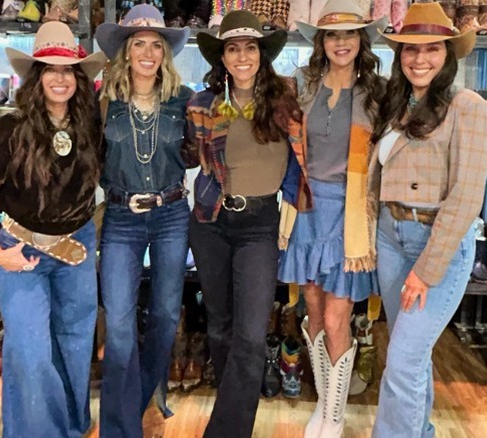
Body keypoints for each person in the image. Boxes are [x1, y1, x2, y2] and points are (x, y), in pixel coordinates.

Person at [0, 21, 106, 437]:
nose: (60, 78)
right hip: (21, 250)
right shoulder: (11, 128)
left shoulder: (90, 125)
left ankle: (70, 423)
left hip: (76, 249)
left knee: (75, 342)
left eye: (67, 70)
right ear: (36, 76)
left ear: (78, 78)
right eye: (49, 69)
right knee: (29, 351)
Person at [367, 2, 487, 437]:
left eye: (432, 49)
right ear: (399, 56)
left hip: (435, 243)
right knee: (409, 358)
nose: (420, 59)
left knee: (401, 361)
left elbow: (465, 197)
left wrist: (427, 269)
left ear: (448, 54)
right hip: (390, 237)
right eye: (410, 50)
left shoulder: (467, 107)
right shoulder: (394, 104)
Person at [185, 10, 312, 438]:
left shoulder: (285, 102)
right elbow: (187, 154)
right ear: (222, 56)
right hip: (210, 221)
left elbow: (303, 157)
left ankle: (224, 431)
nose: (242, 56)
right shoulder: (202, 104)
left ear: (262, 54)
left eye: (250, 47)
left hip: (260, 223)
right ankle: (234, 413)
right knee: (220, 326)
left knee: (252, 334)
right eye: (233, 48)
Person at [278, 0, 386, 436]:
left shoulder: (377, 92)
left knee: (340, 316)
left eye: (350, 34)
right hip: (306, 209)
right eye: (333, 35)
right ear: (321, 42)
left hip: (350, 212)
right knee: (315, 312)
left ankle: (335, 416)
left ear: (362, 41)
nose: (341, 43)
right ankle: (324, 406)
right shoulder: (302, 85)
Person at [93, 5, 193, 437]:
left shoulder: (184, 100)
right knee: (117, 322)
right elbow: (88, 159)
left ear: (165, 53)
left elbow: (201, 152)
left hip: (172, 214)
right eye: (140, 44)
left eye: (156, 44)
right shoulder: (103, 102)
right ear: (126, 51)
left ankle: (133, 402)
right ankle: (120, 427)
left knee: (167, 315)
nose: (148, 52)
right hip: (120, 217)